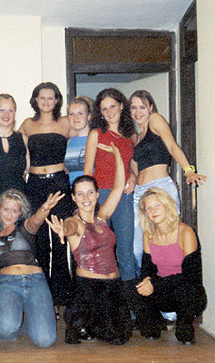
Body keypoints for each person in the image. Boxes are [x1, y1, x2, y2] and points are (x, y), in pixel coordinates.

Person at [47, 142, 132, 345]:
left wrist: (118, 155)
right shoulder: (74, 222)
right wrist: (63, 230)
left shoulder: (103, 216)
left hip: (114, 287)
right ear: (74, 198)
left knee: (121, 336)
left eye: (90, 192)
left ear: (97, 194)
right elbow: (69, 228)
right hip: (89, 290)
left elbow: (119, 186)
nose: (86, 198)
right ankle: (81, 320)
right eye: (80, 193)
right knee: (106, 335)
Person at [129, 90, 207, 275]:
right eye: (133, 108)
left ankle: (175, 283)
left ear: (151, 108)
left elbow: (172, 146)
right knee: (138, 249)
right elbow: (135, 168)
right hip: (140, 193)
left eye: (142, 107)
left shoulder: (155, 120)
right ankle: (152, 283)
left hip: (161, 188)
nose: (138, 112)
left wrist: (188, 170)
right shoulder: (136, 137)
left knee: (171, 242)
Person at [19, 82, 75, 314]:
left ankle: (61, 299)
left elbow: (85, 139)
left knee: (59, 240)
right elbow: (10, 141)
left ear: (57, 100)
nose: (46, 102)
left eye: (50, 98)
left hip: (58, 183)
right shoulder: (27, 124)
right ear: (35, 100)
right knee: (40, 241)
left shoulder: (65, 123)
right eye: (41, 98)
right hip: (34, 185)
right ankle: (42, 299)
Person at [125, 188, 207, 344]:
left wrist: (154, 284)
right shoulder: (148, 234)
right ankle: (153, 326)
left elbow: (191, 276)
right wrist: (147, 282)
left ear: (167, 206)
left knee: (186, 290)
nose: (153, 211)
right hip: (162, 290)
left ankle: (185, 329)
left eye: (158, 205)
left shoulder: (185, 232)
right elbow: (147, 270)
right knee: (129, 288)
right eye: (148, 208)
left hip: (187, 292)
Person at [0, 189, 64, 348]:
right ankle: (18, 322)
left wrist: (45, 209)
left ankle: (30, 323)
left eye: (15, 211)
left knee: (45, 340)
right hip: (7, 283)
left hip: (35, 281)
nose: (9, 214)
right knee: (5, 328)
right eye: (6, 209)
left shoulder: (24, 228)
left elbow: (36, 220)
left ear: (20, 213)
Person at [83, 88, 137, 282]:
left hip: (124, 196)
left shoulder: (131, 136)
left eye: (112, 106)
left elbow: (133, 167)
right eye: (104, 109)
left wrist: (134, 178)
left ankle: (130, 299)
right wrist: (87, 202)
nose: (109, 112)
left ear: (121, 106)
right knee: (100, 249)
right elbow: (87, 172)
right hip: (102, 195)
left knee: (125, 251)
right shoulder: (96, 134)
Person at [65, 96, 93, 185]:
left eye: (80, 113)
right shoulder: (69, 142)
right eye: (71, 114)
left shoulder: (97, 139)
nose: (75, 117)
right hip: (72, 191)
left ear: (88, 116)